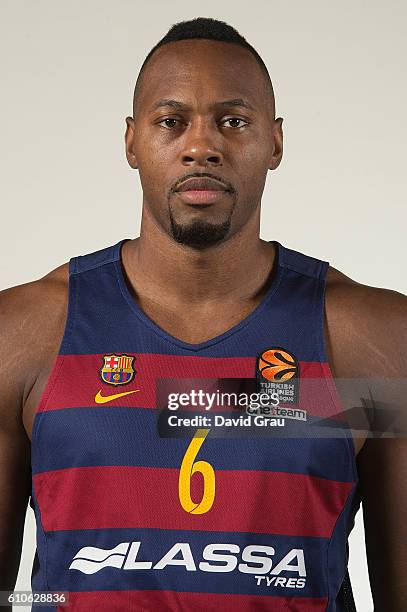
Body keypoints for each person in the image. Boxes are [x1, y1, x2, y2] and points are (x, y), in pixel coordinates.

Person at [0, 16, 406, 612]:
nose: (201, 145)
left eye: (233, 121)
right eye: (172, 122)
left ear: (275, 142)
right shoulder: (24, 335)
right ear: (132, 141)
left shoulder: (375, 339)